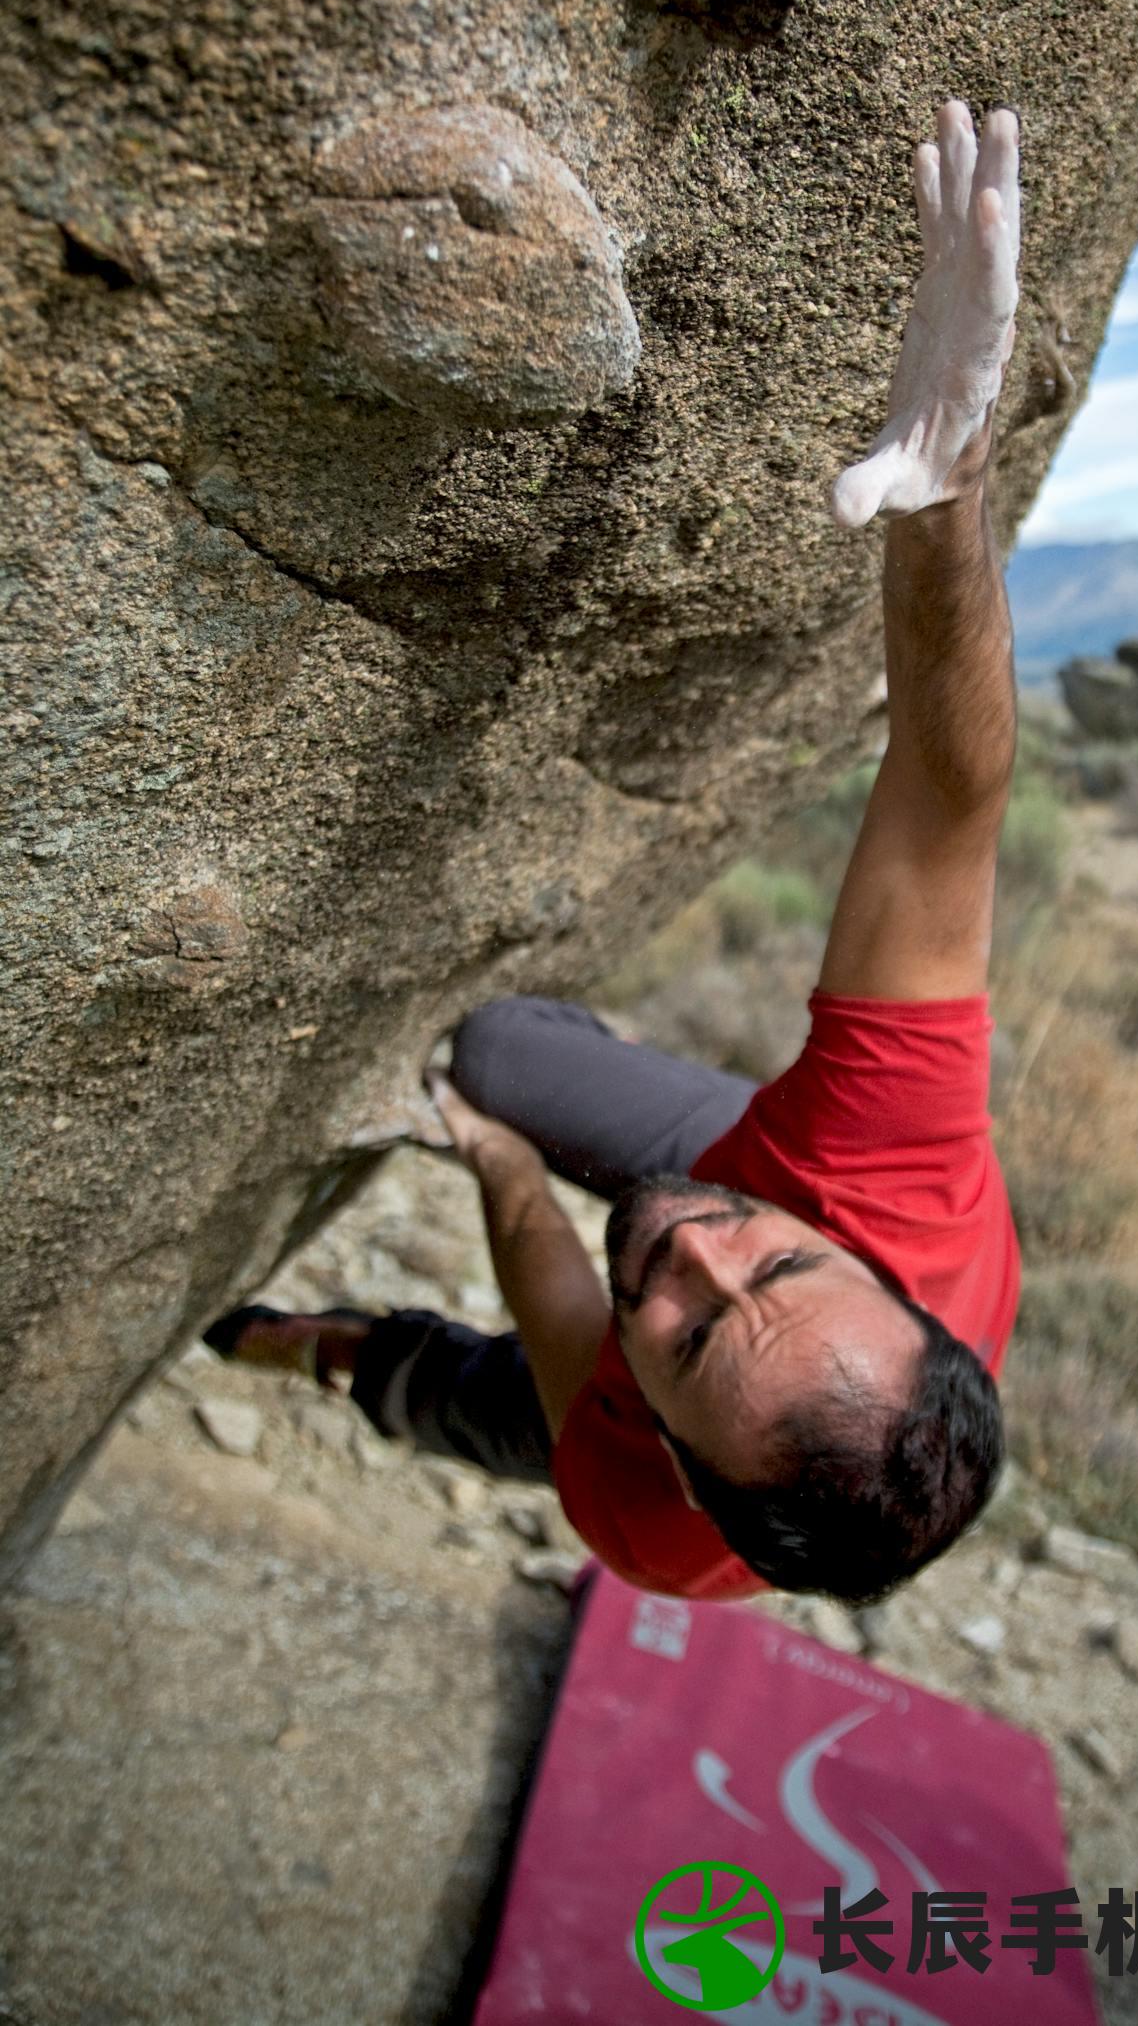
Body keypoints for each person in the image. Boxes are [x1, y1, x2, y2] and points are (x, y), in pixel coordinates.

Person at [206, 100, 1026, 1608]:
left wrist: (508, 1176)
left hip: (599, 1414)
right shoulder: (884, 1180)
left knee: (480, 1393)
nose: (693, 1251)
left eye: (698, 1338)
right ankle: (521, 1200)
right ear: (871, 1272)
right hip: (800, 1172)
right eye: (778, 1269)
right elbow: (945, 795)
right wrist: (948, 495)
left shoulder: (645, 1514)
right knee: (503, 1044)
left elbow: (575, 1298)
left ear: (681, 1449)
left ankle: (329, 1351)